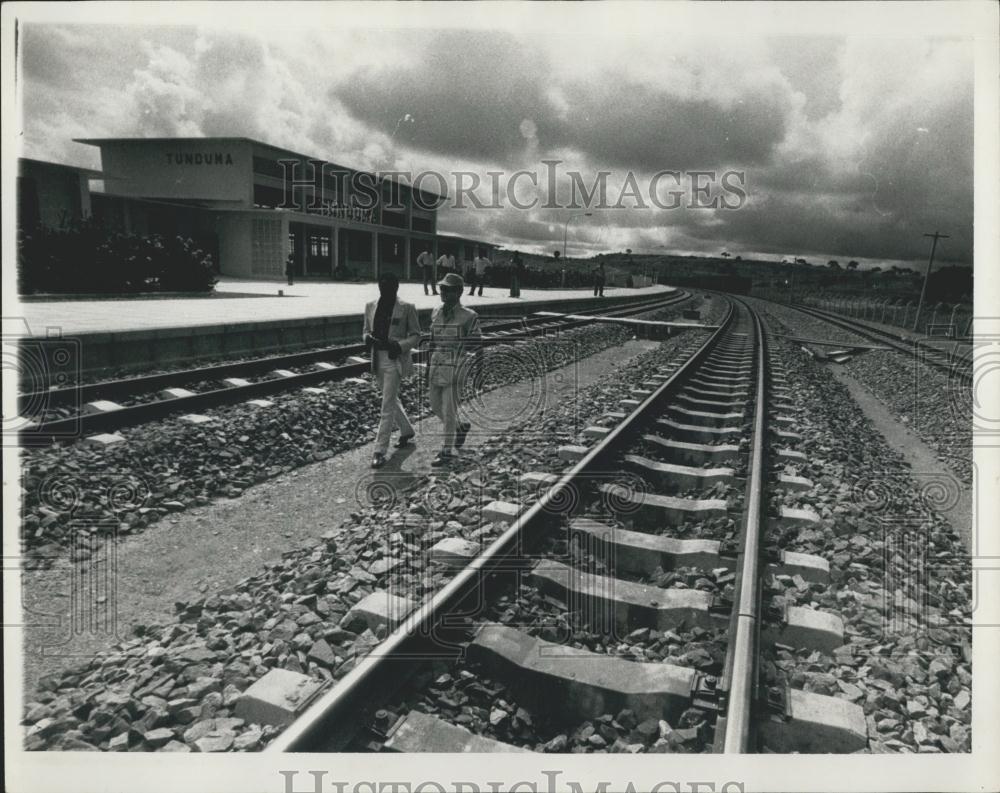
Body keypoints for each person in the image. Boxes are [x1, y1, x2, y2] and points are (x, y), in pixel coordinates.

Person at [363, 273, 423, 469]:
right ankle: (407, 431)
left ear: (396, 287)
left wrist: (399, 345)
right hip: (376, 360)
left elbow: (416, 335)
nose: (385, 290)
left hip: (393, 360)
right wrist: (367, 339)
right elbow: (365, 330)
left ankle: (379, 451)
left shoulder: (407, 308)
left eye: (389, 287)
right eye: (382, 286)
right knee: (391, 399)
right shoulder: (371, 306)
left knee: (386, 404)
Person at [428, 272, 482, 467]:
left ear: (459, 292)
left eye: (448, 289)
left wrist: (479, 372)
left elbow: (478, 345)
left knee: (449, 410)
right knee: (434, 405)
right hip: (437, 364)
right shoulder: (435, 312)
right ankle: (460, 427)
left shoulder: (469, 316)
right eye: (442, 288)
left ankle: (446, 450)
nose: (443, 292)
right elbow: (432, 341)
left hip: (457, 365)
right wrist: (428, 366)